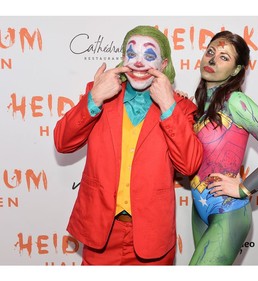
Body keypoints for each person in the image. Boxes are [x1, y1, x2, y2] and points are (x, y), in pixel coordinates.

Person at [54, 25, 203, 265]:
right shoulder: (101, 93)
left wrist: (168, 106)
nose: (139, 63)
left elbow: (188, 166)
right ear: (123, 59)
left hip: (152, 237)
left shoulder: (181, 108)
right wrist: (95, 98)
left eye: (149, 56)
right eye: (131, 54)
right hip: (100, 231)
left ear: (164, 65)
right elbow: (62, 142)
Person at [189, 30, 258, 265]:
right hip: (199, 208)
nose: (212, 59)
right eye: (210, 52)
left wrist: (244, 188)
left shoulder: (236, 102)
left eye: (224, 57)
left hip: (228, 211)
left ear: (237, 70)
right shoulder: (197, 103)